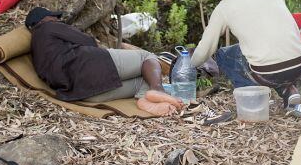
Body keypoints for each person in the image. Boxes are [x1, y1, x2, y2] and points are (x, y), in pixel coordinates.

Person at [26, 7, 183, 116]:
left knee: (142, 81)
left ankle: (145, 100)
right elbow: (88, 41)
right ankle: (158, 90)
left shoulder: (36, 50)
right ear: (43, 19)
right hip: (93, 67)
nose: (56, 18)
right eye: (53, 16)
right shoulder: (48, 27)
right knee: (147, 57)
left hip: (84, 94)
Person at [190, 0, 301, 104]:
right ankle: (288, 90)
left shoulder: (225, 5)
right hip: (299, 66)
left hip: (267, 73)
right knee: (271, 54)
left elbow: (206, 48)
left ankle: (254, 98)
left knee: (223, 55)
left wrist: (189, 66)